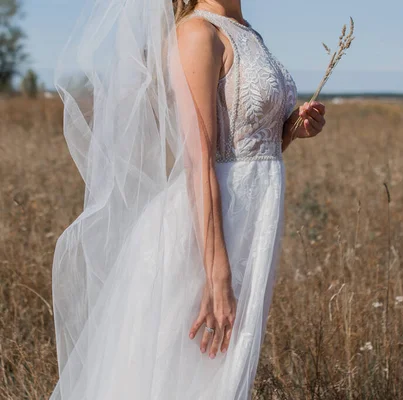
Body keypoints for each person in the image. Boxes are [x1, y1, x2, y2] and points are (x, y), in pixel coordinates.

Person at [49, 0, 326, 398]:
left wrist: (289, 131)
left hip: (248, 226)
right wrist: (216, 276)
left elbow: (243, 151)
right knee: (184, 377)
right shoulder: (197, 33)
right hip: (202, 239)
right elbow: (199, 163)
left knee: (222, 371)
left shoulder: (245, 30)